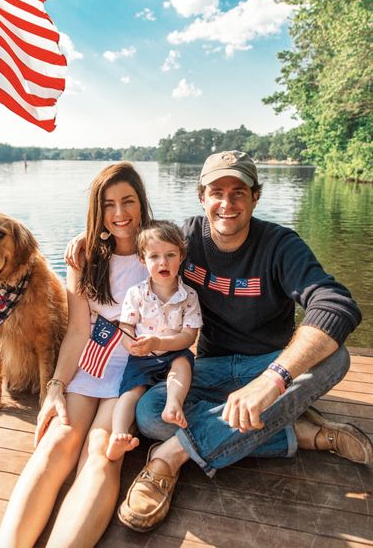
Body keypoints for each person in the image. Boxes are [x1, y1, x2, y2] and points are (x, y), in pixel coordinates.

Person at [114, 150, 371, 532]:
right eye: (217, 191)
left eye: (239, 191)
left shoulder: (280, 245)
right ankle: (299, 432)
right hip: (210, 367)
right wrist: (89, 245)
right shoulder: (184, 240)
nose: (227, 203)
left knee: (336, 358)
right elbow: (133, 240)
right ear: (202, 197)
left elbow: (336, 304)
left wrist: (273, 380)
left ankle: (170, 457)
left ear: (256, 196)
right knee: (150, 413)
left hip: (267, 364)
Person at [0, 162, 152, 548]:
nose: (119, 214)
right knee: (58, 441)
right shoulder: (84, 257)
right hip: (93, 363)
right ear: (97, 210)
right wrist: (55, 386)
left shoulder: (161, 250)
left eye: (127, 201)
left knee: (100, 452)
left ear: (142, 203)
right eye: (108, 204)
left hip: (134, 368)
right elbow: (79, 330)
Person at [106, 220, 203, 462]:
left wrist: (159, 343)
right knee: (130, 393)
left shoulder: (189, 296)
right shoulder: (136, 293)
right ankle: (117, 435)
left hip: (172, 352)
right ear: (143, 260)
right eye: (155, 256)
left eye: (170, 255)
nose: (163, 262)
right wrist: (131, 345)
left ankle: (173, 404)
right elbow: (126, 326)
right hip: (143, 356)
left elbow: (189, 337)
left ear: (181, 256)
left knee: (182, 366)